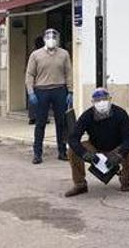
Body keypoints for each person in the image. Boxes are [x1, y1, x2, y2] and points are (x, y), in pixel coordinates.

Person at [65, 88, 129, 197]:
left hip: (116, 149)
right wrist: (84, 153)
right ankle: (80, 184)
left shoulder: (120, 113)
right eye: (98, 100)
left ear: (110, 100)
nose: (101, 103)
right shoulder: (87, 116)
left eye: (104, 99)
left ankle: (124, 178)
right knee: (72, 151)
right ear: (93, 102)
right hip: (95, 148)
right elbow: (73, 138)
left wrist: (120, 154)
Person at [25, 28, 73, 164]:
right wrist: (31, 92)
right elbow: (29, 74)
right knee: (40, 123)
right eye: (49, 36)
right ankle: (37, 153)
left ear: (57, 39)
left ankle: (62, 151)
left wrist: (70, 91)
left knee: (61, 123)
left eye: (54, 36)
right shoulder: (36, 55)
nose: (51, 39)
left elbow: (68, 73)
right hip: (41, 91)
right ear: (44, 39)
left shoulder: (64, 54)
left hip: (59, 90)